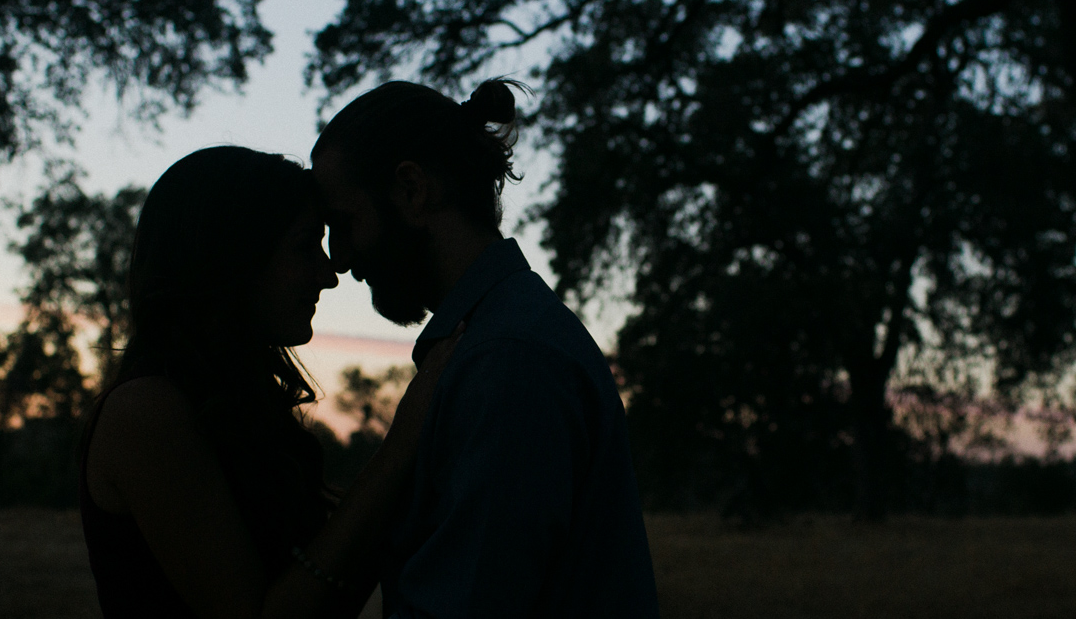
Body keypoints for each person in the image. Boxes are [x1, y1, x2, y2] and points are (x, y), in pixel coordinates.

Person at [310, 79, 660, 618]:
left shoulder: (507, 360)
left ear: (410, 189)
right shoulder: (496, 340)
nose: (338, 258)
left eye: (346, 223)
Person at [79, 145, 461, 619]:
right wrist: (403, 444)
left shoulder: (235, 410)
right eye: (306, 246)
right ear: (232, 256)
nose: (329, 275)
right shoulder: (145, 414)